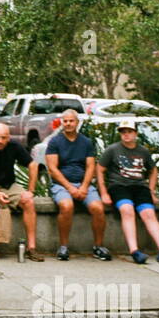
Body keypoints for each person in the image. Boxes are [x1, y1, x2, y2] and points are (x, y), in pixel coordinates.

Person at [97, 118, 159, 264]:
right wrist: (104, 192)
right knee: (127, 210)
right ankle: (134, 251)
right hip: (119, 186)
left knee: (148, 213)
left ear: (135, 133)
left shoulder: (142, 151)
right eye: (123, 132)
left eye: (129, 132)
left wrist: (151, 190)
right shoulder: (112, 149)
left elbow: (153, 170)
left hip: (139, 186)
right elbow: (99, 169)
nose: (126, 135)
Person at [44, 109, 110, 261]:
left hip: (83, 184)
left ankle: (98, 246)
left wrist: (84, 187)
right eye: (65, 121)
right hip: (61, 185)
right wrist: (70, 188)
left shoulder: (86, 142)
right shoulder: (55, 142)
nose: (68, 124)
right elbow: (52, 169)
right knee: (67, 206)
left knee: (98, 208)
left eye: (71, 121)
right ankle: (63, 247)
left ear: (77, 122)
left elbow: (90, 166)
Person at [0, 121, 41, 261]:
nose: (0, 141)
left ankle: (31, 248)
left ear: (9, 137)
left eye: (4, 137)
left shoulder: (15, 146)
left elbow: (33, 165)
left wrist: (31, 190)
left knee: (28, 201)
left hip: (9, 186)